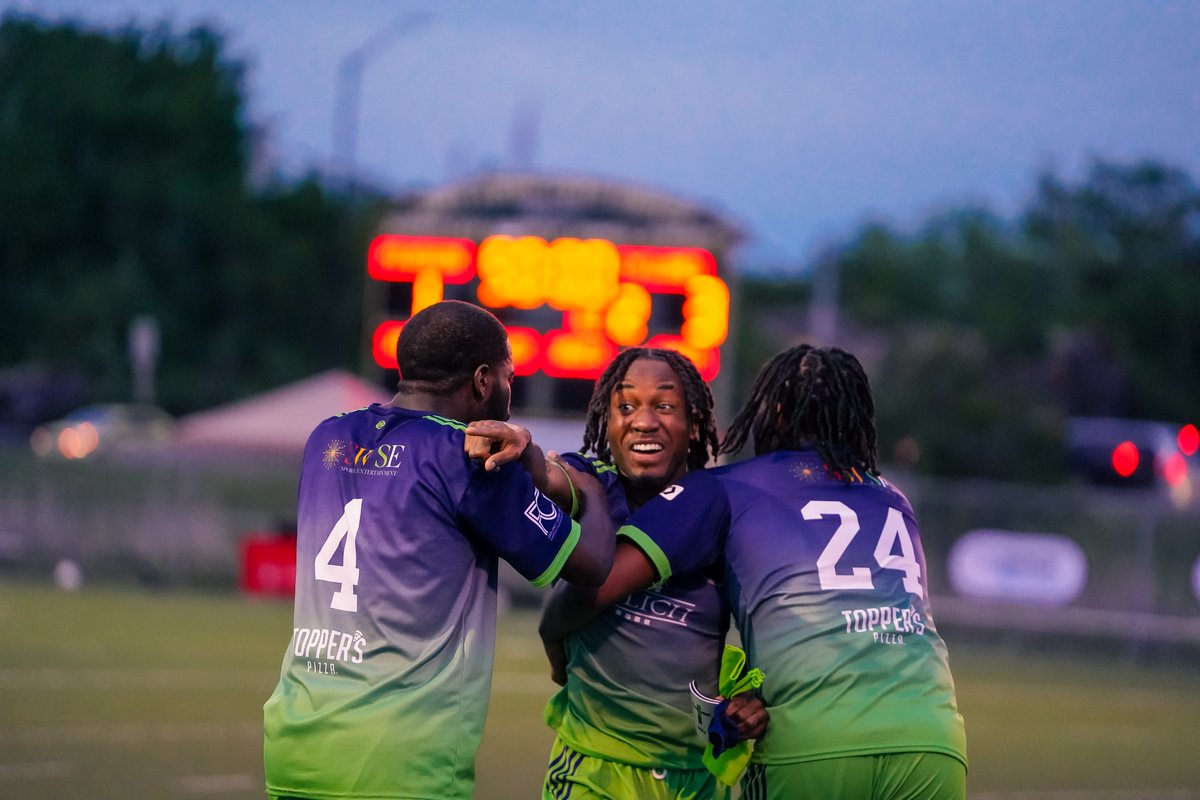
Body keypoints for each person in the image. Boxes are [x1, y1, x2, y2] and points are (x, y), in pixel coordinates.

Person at [550, 344, 968, 800]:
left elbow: (599, 582)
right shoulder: (893, 498)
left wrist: (589, 497)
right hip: (934, 737)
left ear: (776, 413)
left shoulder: (725, 488)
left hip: (815, 739)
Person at [262, 300, 614, 800]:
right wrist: (589, 489)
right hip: (397, 760)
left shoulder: (327, 437)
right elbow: (592, 563)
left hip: (295, 747)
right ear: (483, 381)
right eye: (509, 377)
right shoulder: (466, 457)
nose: (510, 394)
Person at [473, 346, 767, 800]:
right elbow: (553, 475)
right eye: (626, 407)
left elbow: (766, 624)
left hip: (695, 778)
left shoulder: (718, 506)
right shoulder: (593, 481)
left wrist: (751, 700)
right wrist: (522, 446)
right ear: (606, 423)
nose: (643, 421)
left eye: (664, 406)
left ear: (694, 424)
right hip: (594, 770)